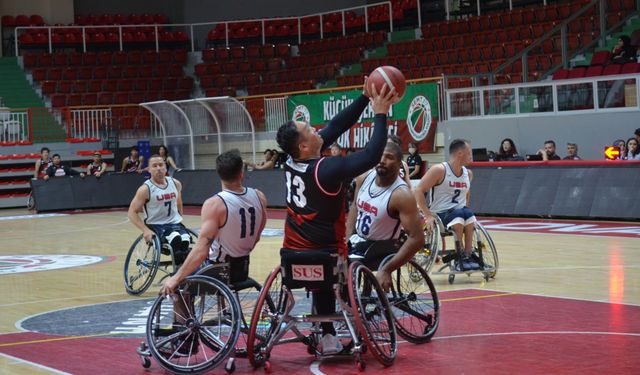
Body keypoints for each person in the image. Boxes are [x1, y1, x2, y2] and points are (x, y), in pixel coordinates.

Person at [276, 82, 397, 354]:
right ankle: (335, 328)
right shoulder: (326, 170)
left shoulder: (292, 161)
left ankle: (327, 333)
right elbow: (371, 156)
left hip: (292, 253)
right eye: (309, 130)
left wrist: (365, 97)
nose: (317, 129)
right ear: (305, 145)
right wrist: (380, 113)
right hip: (327, 253)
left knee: (321, 265)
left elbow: (337, 125)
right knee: (348, 257)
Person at [160, 149, 267, 295]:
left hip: (217, 271)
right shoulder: (259, 196)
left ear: (219, 174)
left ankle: (182, 319)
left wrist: (176, 278)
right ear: (241, 173)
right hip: (242, 267)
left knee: (177, 281)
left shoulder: (215, 204)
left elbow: (201, 249)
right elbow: (258, 235)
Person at [346, 141, 424, 288]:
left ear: (399, 163)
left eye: (389, 157)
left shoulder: (402, 195)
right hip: (358, 241)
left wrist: (387, 268)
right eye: (380, 156)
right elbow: (355, 207)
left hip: (381, 247)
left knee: (344, 263)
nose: (382, 160)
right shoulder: (363, 178)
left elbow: (417, 238)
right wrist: (347, 236)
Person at [413, 139, 480, 271]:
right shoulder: (439, 170)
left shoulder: (468, 173)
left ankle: (468, 254)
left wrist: (465, 207)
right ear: (460, 153)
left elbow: (467, 193)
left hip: (458, 212)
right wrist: (428, 216)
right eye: (469, 152)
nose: (471, 155)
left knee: (468, 213)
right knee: (460, 214)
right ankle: (459, 255)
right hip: (440, 213)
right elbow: (418, 190)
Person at [127, 154, 191, 264]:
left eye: (161, 165)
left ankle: (181, 268)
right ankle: (179, 273)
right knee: (175, 238)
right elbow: (131, 212)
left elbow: (179, 202)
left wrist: (179, 218)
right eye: (154, 166)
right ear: (149, 169)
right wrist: (145, 230)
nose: (158, 168)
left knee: (186, 238)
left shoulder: (175, 183)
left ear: (165, 167)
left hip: (174, 223)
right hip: (156, 225)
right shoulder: (145, 189)